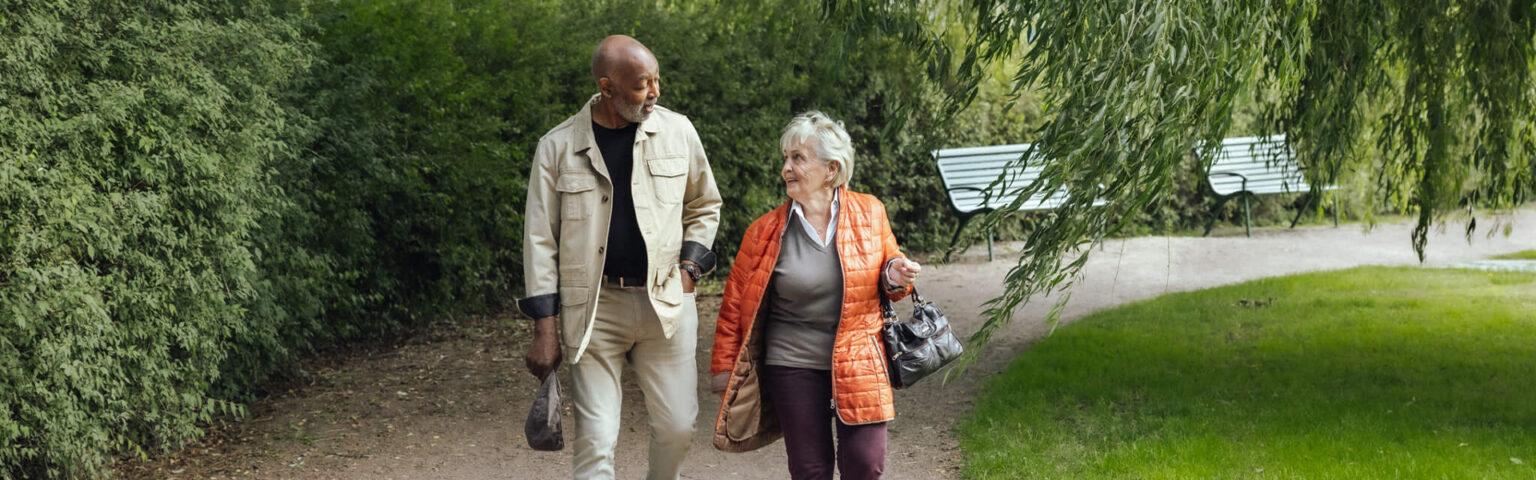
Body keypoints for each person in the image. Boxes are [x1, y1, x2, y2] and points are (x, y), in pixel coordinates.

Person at [519, 34, 722, 480]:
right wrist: (545, 328)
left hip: (666, 302)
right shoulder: (556, 148)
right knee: (596, 439)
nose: (655, 93)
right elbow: (539, 242)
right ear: (607, 87)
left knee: (678, 428)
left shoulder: (678, 131)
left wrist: (690, 269)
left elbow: (705, 205)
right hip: (593, 310)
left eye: (656, 81)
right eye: (642, 84)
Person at [709, 111, 921, 480]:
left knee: (865, 464)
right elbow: (733, 306)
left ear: (831, 168)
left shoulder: (870, 213)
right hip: (792, 361)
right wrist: (725, 368)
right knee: (810, 470)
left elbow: (890, 275)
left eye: (797, 158)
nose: (786, 168)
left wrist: (896, 274)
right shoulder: (763, 232)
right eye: (785, 159)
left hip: (859, 356)